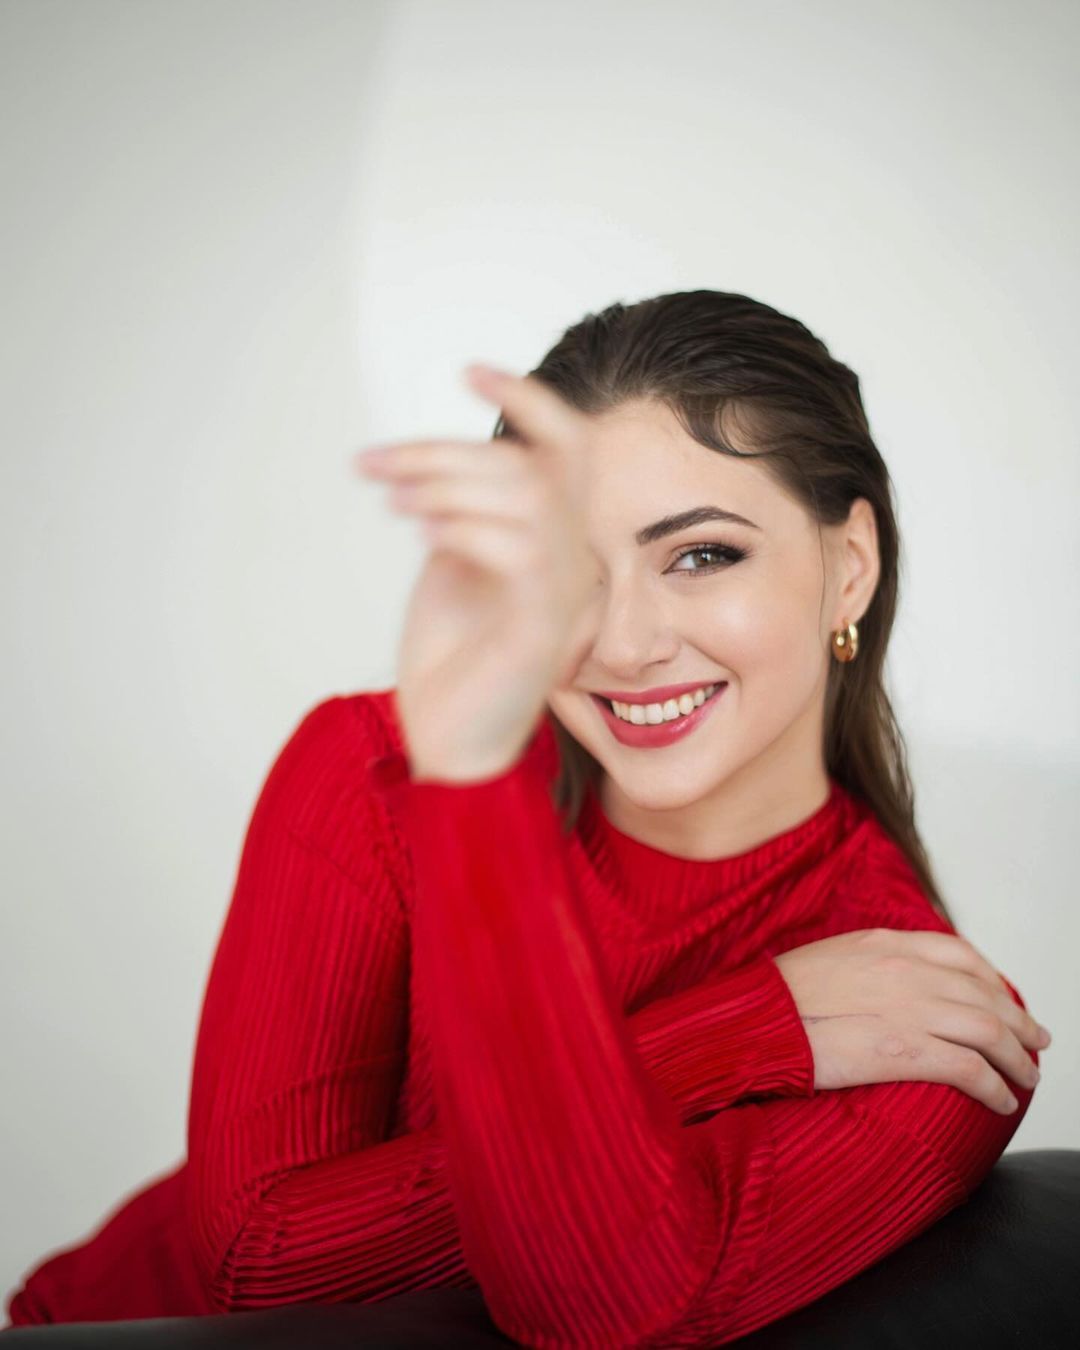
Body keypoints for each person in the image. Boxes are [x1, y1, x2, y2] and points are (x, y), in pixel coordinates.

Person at [4, 290, 1049, 1345]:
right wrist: (738, 1035)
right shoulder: (385, 770)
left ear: (850, 567)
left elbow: (596, 1312)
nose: (623, 644)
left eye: (702, 555)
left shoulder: (925, 1024)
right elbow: (256, 1267)